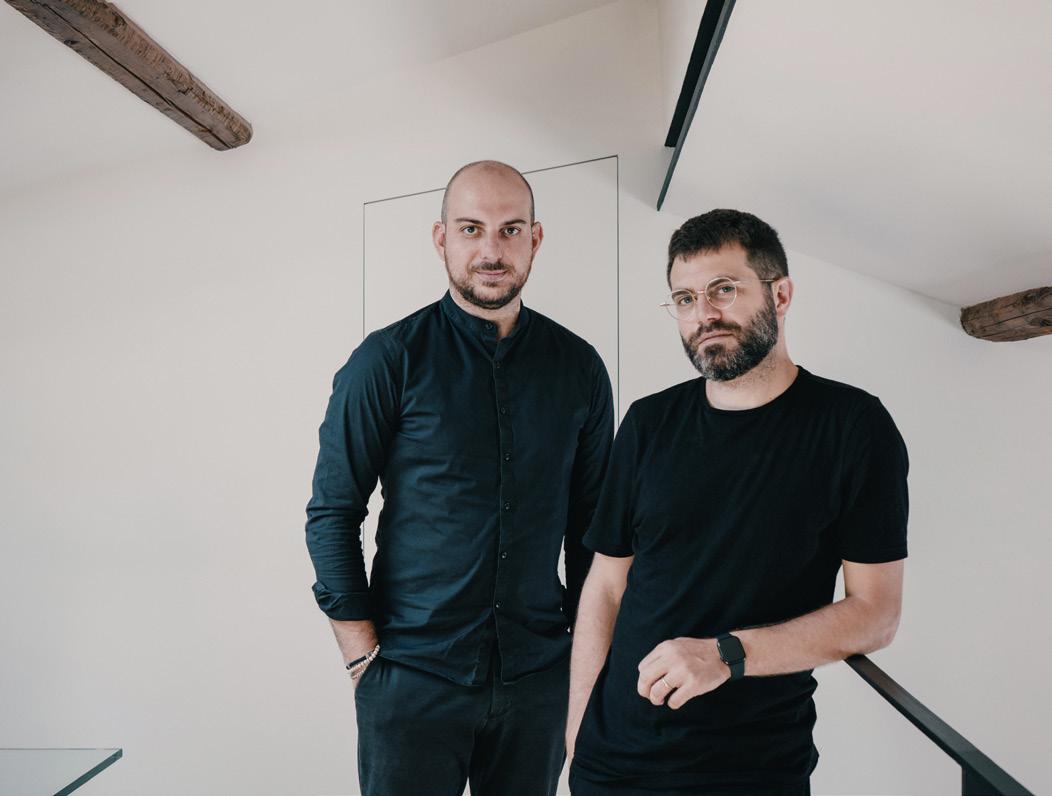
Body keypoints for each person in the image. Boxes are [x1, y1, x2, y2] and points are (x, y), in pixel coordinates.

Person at [566, 209, 908, 796]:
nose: (704, 314)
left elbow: (876, 614)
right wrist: (576, 735)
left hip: (754, 768)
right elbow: (606, 586)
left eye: (723, 289)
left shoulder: (854, 427)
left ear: (781, 295)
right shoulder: (648, 423)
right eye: (685, 298)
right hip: (613, 762)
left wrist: (728, 655)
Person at [305, 160, 614, 796]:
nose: (491, 250)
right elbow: (333, 513)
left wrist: (586, 665)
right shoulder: (387, 360)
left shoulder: (580, 368)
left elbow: (595, 531)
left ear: (535, 238)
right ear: (441, 237)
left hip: (539, 680)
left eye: (510, 229)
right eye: (471, 228)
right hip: (412, 679)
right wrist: (363, 660)